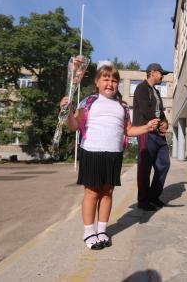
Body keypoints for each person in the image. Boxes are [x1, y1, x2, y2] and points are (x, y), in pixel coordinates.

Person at [60, 61, 159, 249]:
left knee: (108, 192)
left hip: (114, 154)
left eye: (114, 80)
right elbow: (73, 125)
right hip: (92, 152)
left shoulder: (122, 106)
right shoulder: (88, 102)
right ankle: (89, 232)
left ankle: (103, 229)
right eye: (106, 79)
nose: (110, 84)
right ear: (97, 82)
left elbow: (128, 131)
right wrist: (66, 112)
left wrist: (146, 127)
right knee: (92, 193)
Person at [132, 63, 170, 211]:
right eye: (161, 73)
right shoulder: (141, 89)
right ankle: (143, 201)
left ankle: (153, 196)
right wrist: (159, 123)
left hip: (158, 134)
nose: (162, 76)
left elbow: (159, 112)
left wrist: (165, 122)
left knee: (164, 164)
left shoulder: (156, 92)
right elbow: (145, 111)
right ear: (152, 72)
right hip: (145, 132)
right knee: (145, 168)